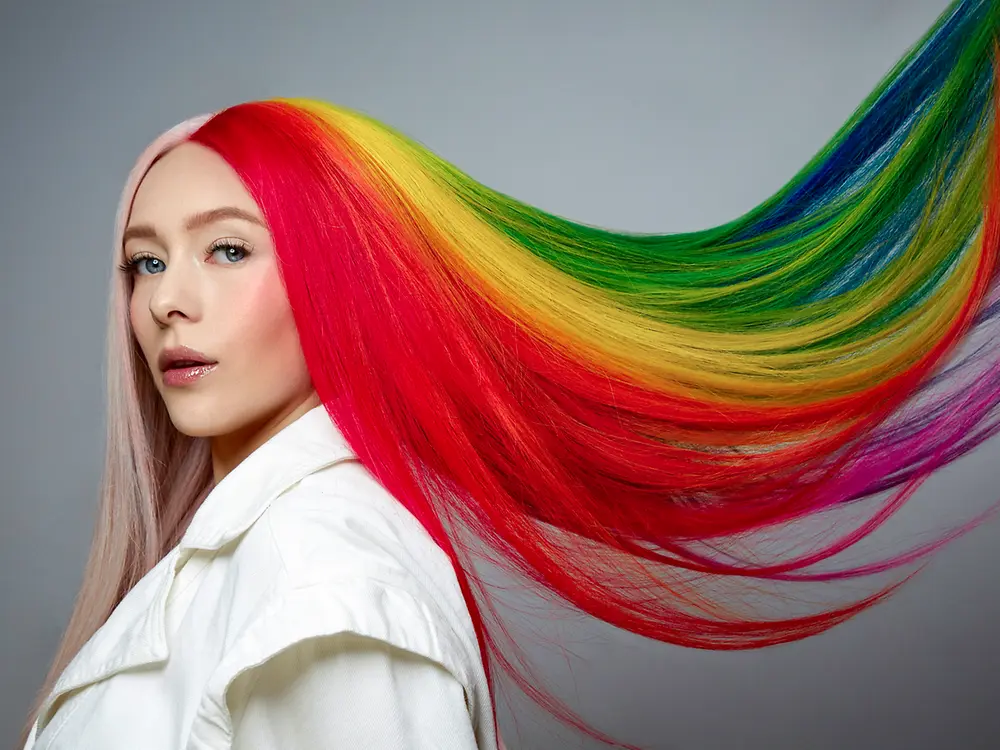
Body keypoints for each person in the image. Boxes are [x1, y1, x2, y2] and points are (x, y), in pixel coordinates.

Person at [17, 1, 1000, 748]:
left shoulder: (319, 579)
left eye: (227, 250)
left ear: (338, 274)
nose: (165, 303)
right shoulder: (256, 565)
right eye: (145, 261)